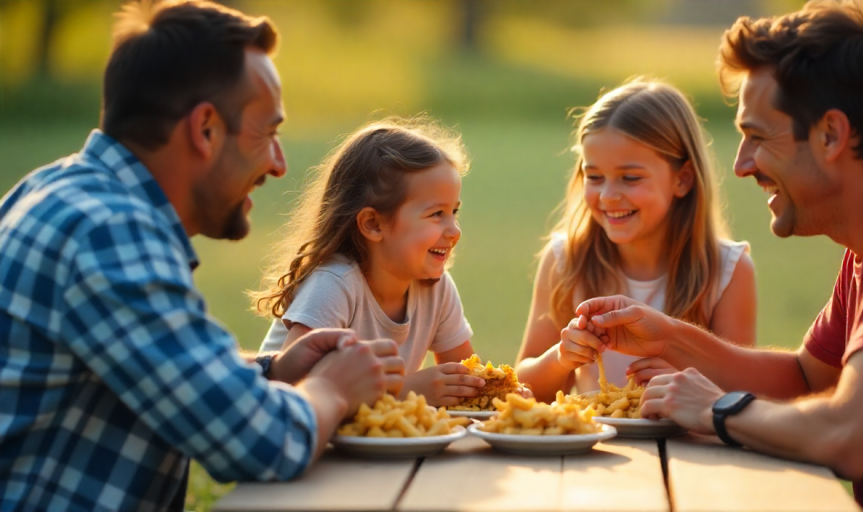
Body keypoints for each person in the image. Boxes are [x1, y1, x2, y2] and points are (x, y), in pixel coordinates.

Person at [569, 1, 863, 510]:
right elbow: (805, 380)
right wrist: (670, 337)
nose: (741, 166)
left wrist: (720, 409)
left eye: (757, 137)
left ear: (831, 134)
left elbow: (855, 435)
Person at [0, 2, 404, 511]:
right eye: (268, 133)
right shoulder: (109, 233)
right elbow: (258, 444)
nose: (279, 164)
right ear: (205, 129)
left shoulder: (52, 190)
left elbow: (149, 366)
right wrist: (332, 390)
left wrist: (273, 370)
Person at [515, 78, 757, 403]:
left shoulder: (728, 270)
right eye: (595, 177)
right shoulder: (565, 260)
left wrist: (689, 386)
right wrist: (561, 357)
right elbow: (525, 389)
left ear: (682, 179)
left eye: (630, 178)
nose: (609, 196)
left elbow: (743, 391)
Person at [252, 119, 485, 408]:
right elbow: (292, 397)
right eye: (437, 214)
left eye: (454, 212)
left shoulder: (437, 289)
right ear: (373, 224)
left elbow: (468, 379)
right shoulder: (334, 285)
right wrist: (404, 393)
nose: (454, 230)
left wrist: (498, 395)